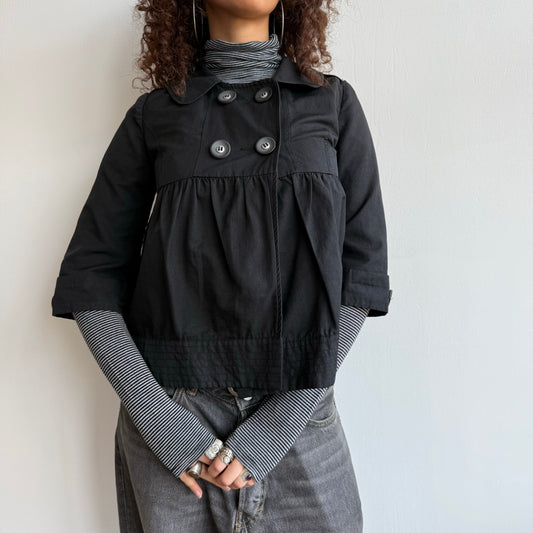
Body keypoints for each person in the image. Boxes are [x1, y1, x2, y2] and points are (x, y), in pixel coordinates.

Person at [50, 1, 392, 531]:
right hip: (174, 425)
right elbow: (90, 277)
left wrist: (280, 422)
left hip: (298, 414)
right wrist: (160, 422)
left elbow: (362, 274)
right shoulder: (155, 114)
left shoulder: (332, 102)